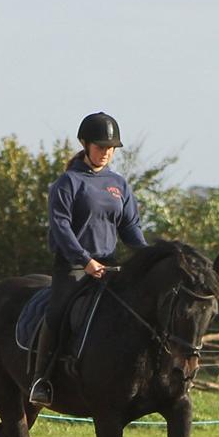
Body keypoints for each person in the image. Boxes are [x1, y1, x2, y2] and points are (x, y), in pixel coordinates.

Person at [29, 111, 147, 406]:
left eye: (111, 148)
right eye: (100, 146)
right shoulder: (68, 183)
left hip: (108, 268)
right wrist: (85, 260)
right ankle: (41, 380)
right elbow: (61, 226)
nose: (106, 152)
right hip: (74, 269)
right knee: (57, 314)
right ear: (85, 144)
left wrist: (146, 256)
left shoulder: (118, 184)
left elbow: (130, 227)